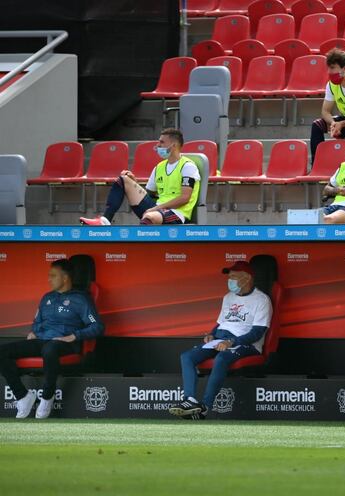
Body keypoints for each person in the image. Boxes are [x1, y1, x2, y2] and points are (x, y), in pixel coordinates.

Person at [0, 259, 104, 419]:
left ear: (65, 278)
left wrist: (74, 336)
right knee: (2, 351)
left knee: (50, 349)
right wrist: (33, 332)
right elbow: (37, 322)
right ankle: (22, 396)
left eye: (53, 275)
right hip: (42, 340)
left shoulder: (81, 299)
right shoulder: (47, 297)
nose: (49, 279)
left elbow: (97, 326)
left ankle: (47, 397)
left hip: (64, 344)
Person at [170, 261, 271, 420]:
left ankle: (205, 406)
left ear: (247, 279)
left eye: (234, 277)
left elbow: (257, 333)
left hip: (246, 344)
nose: (229, 281)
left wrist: (231, 342)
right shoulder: (228, 297)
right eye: (229, 277)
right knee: (187, 357)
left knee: (222, 358)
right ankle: (189, 400)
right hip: (220, 339)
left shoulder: (262, 300)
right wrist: (211, 334)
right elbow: (221, 322)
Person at [80, 128, 200, 226]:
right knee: (123, 180)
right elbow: (149, 195)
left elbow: (185, 198)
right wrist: (134, 182)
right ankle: (105, 221)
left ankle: (143, 250)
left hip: (177, 213)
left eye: (162, 142)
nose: (158, 145)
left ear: (173, 145)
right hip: (157, 209)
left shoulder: (187, 166)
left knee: (149, 217)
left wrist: (157, 208)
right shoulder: (159, 167)